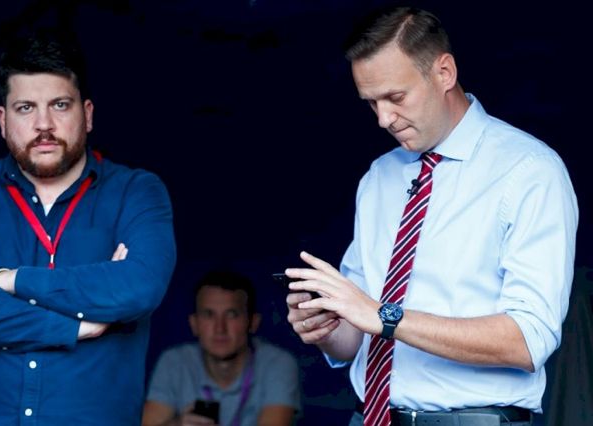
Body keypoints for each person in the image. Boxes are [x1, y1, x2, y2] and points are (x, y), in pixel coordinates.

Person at [284, 6, 577, 426]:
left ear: (444, 73)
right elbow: (358, 333)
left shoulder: (529, 171)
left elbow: (529, 341)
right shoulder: (379, 177)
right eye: (371, 103)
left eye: (395, 97)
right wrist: (326, 326)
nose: (383, 119)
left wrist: (385, 317)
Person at [0, 32, 176, 425]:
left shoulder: (136, 192)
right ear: (3, 120)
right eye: (25, 108)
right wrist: (73, 328)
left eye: (59, 105)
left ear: (87, 114)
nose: (43, 124)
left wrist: (8, 281)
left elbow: (139, 285)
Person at [143, 269, 301, 426]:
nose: (220, 328)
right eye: (209, 315)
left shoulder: (277, 363)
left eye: (232, 314)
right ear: (194, 324)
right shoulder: (174, 362)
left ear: (253, 322)